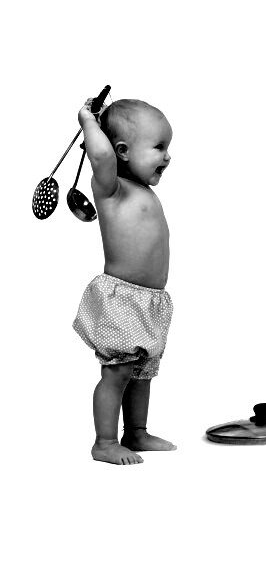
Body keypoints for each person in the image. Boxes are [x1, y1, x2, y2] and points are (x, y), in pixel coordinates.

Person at [72, 97, 177, 465]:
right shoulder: (111, 188)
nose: (168, 156)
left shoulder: (142, 190)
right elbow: (100, 156)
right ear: (122, 151)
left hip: (151, 300)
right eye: (159, 147)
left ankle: (136, 432)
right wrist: (88, 121)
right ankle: (104, 442)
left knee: (142, 373)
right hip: (123, 297)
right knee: (117, 371)